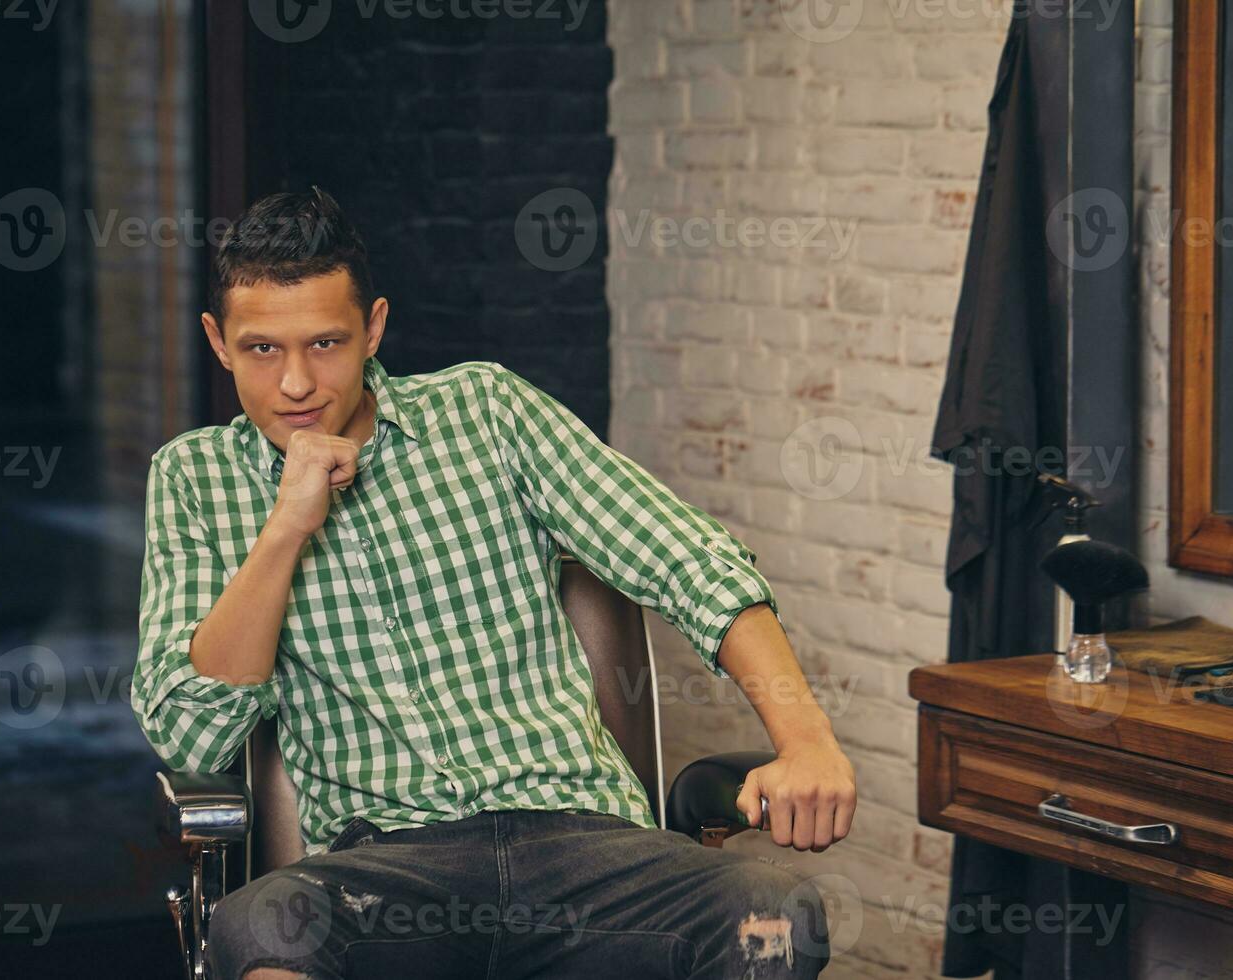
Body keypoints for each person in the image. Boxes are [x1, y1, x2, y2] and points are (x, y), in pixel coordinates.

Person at [131, 186, 856, 979]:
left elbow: (687, 557)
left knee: (777, 914)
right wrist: (285, 529)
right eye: (263, 350)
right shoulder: (195, 478)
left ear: (373, 328)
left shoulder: (487, 411)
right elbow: (192, 731)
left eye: (327, 344)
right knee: (264, 929)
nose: (297, 384)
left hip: (584, 847)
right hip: (386, 872)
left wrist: (807, 739)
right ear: (219, 342)